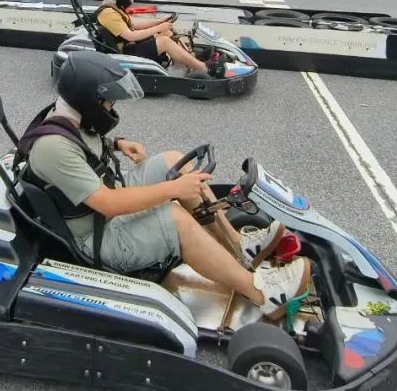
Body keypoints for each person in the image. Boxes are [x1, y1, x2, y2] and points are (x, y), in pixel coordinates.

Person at [17, 51, 311, 322]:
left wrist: (116, 144)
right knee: (175, 218)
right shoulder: (52, 147)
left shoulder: (69, 115)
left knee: (173, 161)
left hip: (105, 199)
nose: (112, 107)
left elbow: (84, 143)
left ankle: (238, 245)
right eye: (108, 102)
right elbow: (108, 203)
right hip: (97, 235)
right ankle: (263, 294)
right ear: (88, 101)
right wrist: (174, 190)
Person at [94, 0, 218, 78]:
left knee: (167, 32)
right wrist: (158, 28)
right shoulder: (108, 13)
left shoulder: (115, 7)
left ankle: (191, 57)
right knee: (164, 41)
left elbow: (133, 25)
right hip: (126, 54)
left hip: (130, 45)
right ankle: (203, 68)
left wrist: (159, 22)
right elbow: (130, 35)